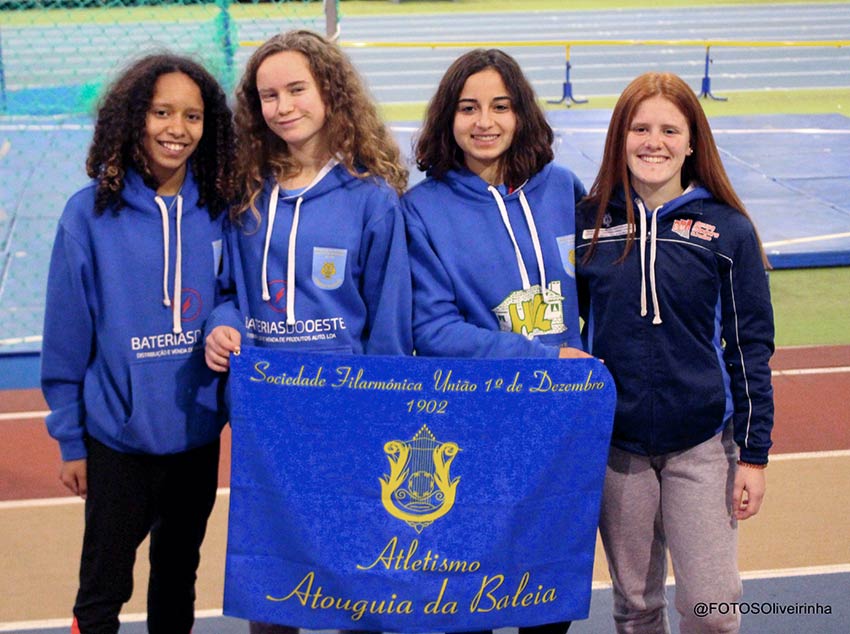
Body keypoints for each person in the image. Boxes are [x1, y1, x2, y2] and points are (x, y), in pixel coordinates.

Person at [202, 30, 412, 634]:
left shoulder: (372, 198)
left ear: (329, 92)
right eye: (268, 95)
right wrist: (223, 329)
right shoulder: (243, 192)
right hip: (270, 419)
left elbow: (389, 320)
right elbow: (226, 295)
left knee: (362, 579)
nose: (283, 106)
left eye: (297, 89)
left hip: (350, 418)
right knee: (274, 586)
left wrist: (382, 415)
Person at [41, 53, 236, 634]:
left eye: (193, 116)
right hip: (116, 440)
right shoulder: (88, 216)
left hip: (195, 435)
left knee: (177, 576)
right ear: (133, 118)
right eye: (161, 112)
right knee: (104, 584)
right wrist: (72, 439)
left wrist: (229, 323)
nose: (177, 129)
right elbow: (67, 338)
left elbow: (232, 293)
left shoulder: (219, 208)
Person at [575, 72, 775, 634]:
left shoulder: (727, 231)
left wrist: (755, 456)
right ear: (620, 137)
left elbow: (749, 348)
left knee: (713, 609)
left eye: (669, 129)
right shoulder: (590, 224)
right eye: (640, 128)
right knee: (635, 607)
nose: (653, 142)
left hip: (703, 446)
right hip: (618, 448)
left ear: (692, 142)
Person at [401, 48, 588, 634]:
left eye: (500, 107)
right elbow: (432, 331)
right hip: (475, 428)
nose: (485, 122)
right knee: (468, 601)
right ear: (447, 118)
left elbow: (605, 288)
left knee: (546, 597)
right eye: (469, 108)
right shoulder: (423, 209)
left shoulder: (564, 188)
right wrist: (544, 358)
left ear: (522, 113)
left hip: (560, 424)